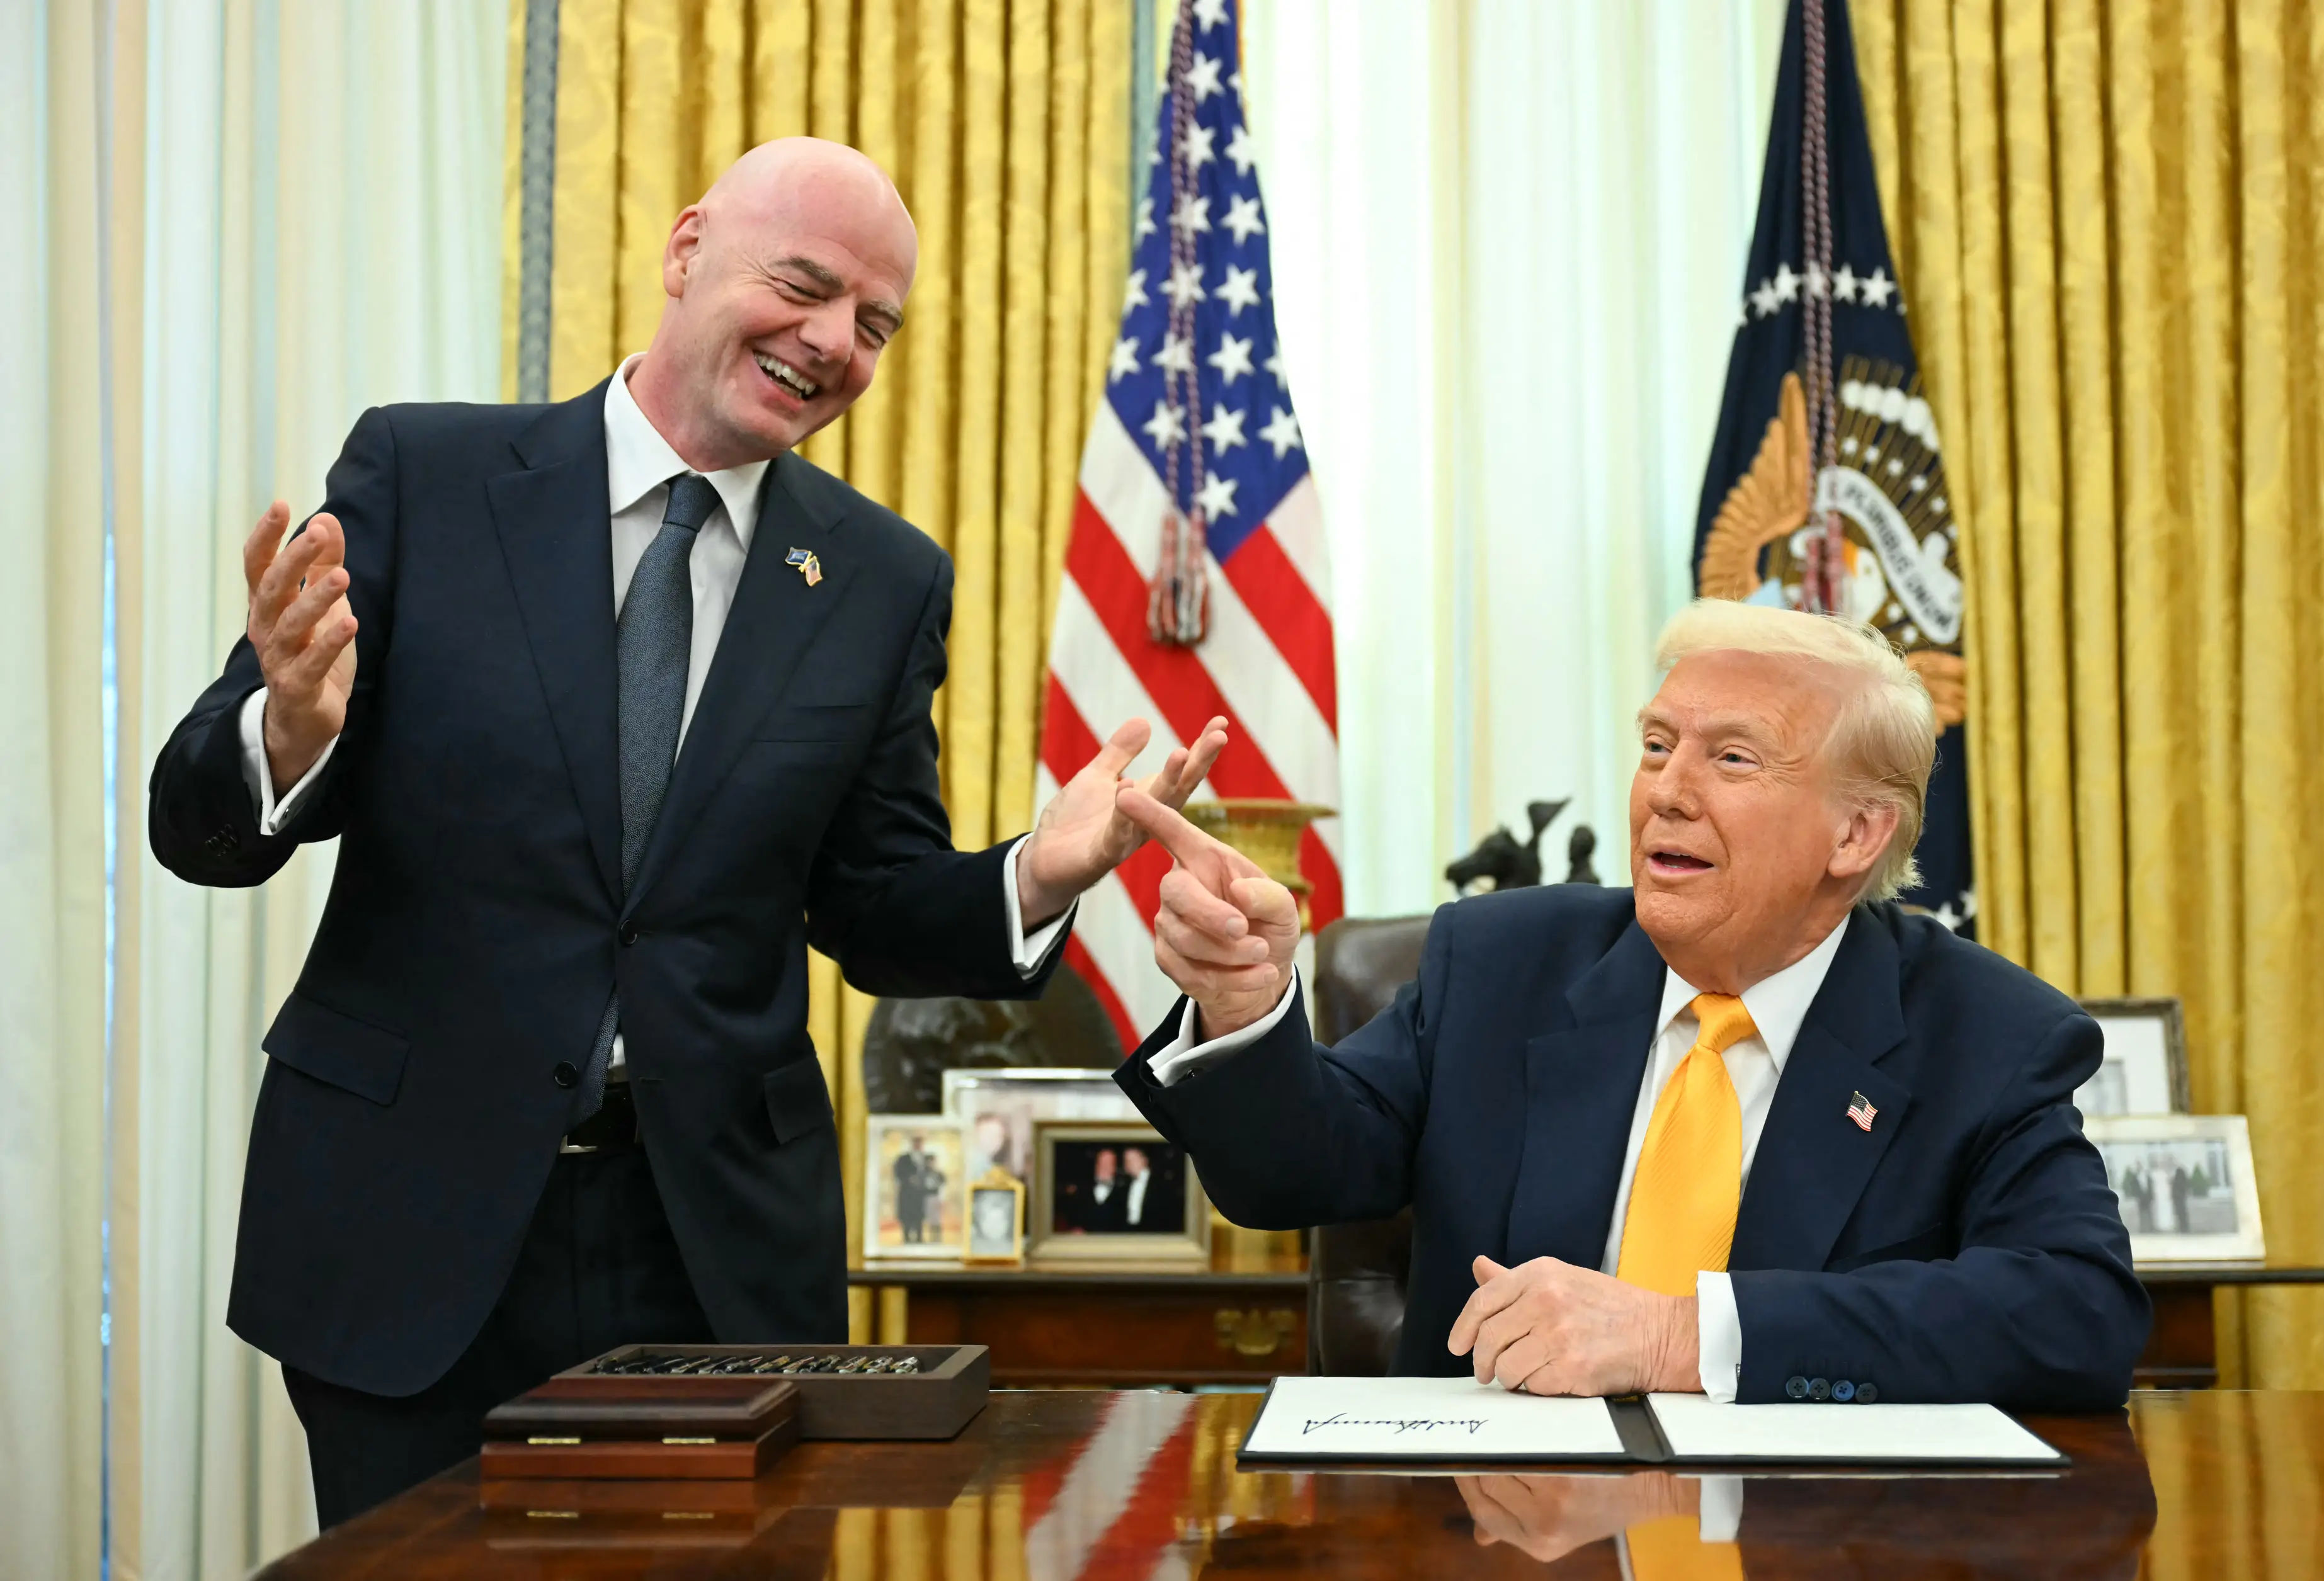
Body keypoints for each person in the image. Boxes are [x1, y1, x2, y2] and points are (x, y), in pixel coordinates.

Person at [147, 136, 1225, 1526]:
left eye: (876, 325)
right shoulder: (425, 469)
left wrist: (1039, 872)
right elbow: (196, 822)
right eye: (805, 284)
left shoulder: (882, 580)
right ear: (685, 252)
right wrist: (288, 727)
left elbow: (877, 901)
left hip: (713, 1250)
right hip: (412, 1219)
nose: (833, 341)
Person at [1110, 599, 2148, 1408]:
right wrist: (1247, 1008)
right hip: (1487, 1532)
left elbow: (2079, 1313)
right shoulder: (1502, 963)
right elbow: (1291, 1172)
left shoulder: (1988, 1034)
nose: (1667, 790)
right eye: (1658, 745)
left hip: (1806, 1540)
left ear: (1857, 835)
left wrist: (1681, 1335)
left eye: (1730, 757)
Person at [1119, 1144, 1185, 1232]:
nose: (1128, 1165)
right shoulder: (1123, 1186)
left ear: (1145, 1160)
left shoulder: (1161, 1184)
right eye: (1126, 1161)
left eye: (1132, 1160)